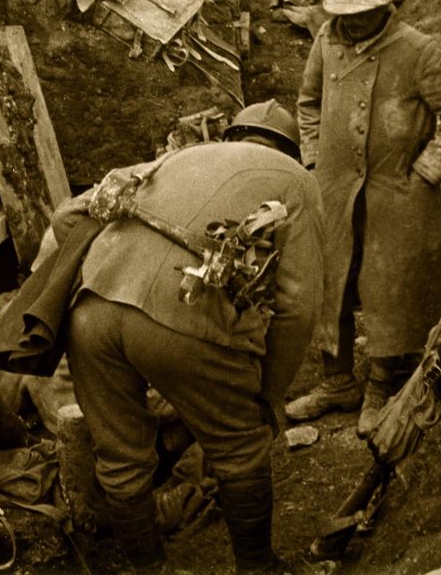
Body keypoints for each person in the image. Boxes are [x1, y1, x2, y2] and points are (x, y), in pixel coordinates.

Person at [58, 100, 324, 572]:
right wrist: (269, 392)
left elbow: (67, 217)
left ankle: (151, 569)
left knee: (119, 458)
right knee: (241, 446)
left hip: (91, 308)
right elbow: (299, 304)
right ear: (291, 149)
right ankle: (259, 569)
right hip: (182, 310)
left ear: (233, 134)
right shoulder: (296, 180)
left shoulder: (178, 158)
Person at [290, 0, 441, 438]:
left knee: (389, 291)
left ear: (384, 8)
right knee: (332, 282)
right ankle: (337, 381)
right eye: (344, 17)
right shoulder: (326, 43)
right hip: (334, 190)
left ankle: (381, 382)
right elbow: (308, 102)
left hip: (396, 193)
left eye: (362, 16)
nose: (352, 25)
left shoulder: (417, 50)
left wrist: (427, 168)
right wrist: (313, 159)